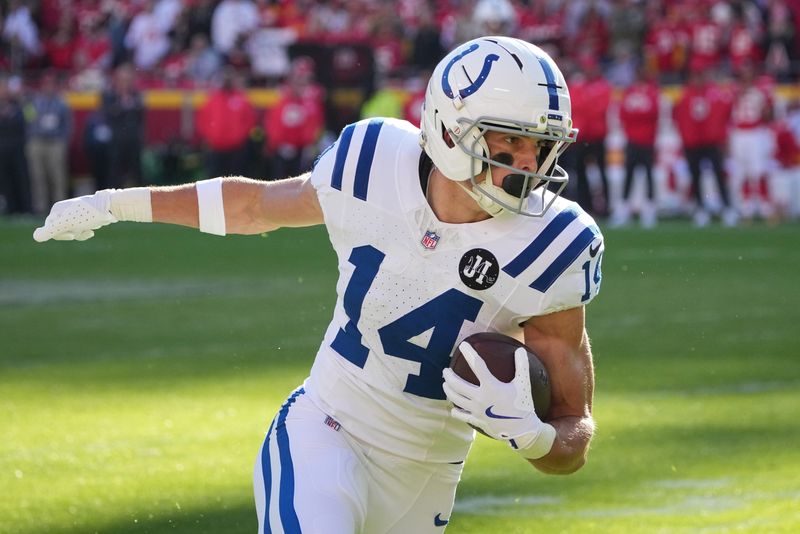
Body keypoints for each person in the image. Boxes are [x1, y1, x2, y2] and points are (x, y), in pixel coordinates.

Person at [33, 37, 601, 533]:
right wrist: (116, 203)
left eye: (542, 144)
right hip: (327, 430)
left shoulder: (555, 243)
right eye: (509, 141)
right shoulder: (373, 160)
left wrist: (533, 437)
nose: (530, 163)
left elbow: (574, 429)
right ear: (449, 132)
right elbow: (257, 204)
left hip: (427, 477)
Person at [613, 66, 660, 228]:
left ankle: (650, 210)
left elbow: (653, 113)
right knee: (629, 175)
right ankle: (623, 209)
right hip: (632, 140)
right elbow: (624, 114)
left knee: (648, 175)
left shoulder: (651, 91)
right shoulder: (630, 92)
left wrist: (638, 115)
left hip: (647, 140)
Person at [25, 71, 73, 215]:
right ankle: (40, 207)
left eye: (51, 83)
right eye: (46, 83)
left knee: (57, 176)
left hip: (55, 142)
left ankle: (60, 207)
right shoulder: (33, 102)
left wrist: (63, 140)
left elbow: (68, 125)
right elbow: (28, 121)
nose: (49, 87)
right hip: (37, 141)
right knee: (37, 176)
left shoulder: (62, 103)